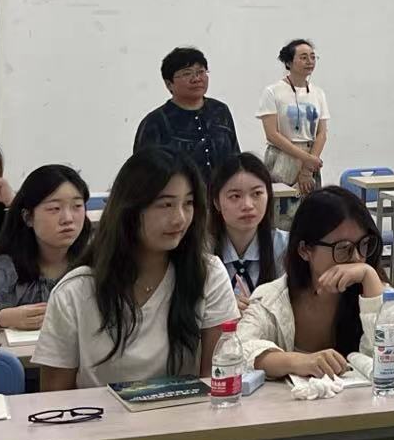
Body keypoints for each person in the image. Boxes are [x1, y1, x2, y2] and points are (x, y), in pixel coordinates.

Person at [240, 187, 394, 440]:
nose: (355, 259)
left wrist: (370, 278)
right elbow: (239, 349)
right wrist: (298, 361)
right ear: (305, 250)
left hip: (374, 436)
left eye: (364, 245)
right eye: (342, 248)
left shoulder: (374, 291)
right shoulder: (273, 299)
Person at [36, 148, 237, 389]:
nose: (180, 218)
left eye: (188, 203)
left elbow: (216, 383)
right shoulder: (75, 291)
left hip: (188, 413)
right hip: (98, 414)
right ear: (130, 208)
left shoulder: (208, 274)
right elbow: (55, 400)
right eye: (166, 204)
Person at [0, 164, 92, 330]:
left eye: (77, 206)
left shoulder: (96, 261)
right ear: (28, 217)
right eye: (54, 208)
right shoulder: (9, 266)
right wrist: (2, 317)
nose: (68, 218)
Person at [132, 46, 240, 189]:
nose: (196, 79)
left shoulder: (220, 111)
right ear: (169, 84)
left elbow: (235, 158)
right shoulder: (155, 122)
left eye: (201, 72)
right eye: (187, 73)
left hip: (222, 196)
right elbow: (142, 173)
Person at [209, 154, 288, 313]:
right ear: (216, 202)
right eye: (235, 196)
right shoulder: (200, 249)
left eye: (257, 194)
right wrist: (221, 306)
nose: (247, 205)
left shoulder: (286, 246)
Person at [258, 39, 329, 195]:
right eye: (303, 57)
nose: (310, 61)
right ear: (288, 62)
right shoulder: (272, 92)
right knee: (281, 206)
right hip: (282, 156)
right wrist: (306, 159)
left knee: (311, 205)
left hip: (310, 158)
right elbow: (272, 134)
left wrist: (308, 168)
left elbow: (322, 133)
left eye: (313, 57)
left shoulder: (318, 93)